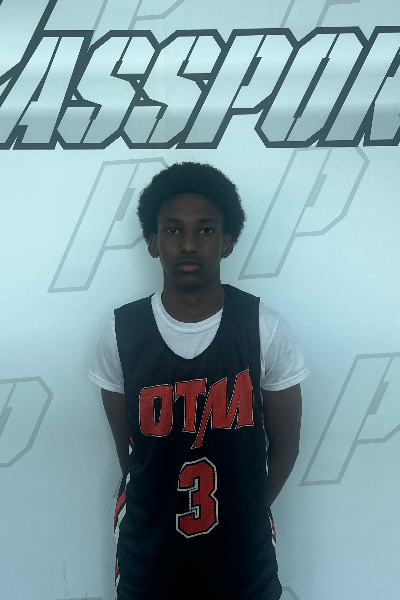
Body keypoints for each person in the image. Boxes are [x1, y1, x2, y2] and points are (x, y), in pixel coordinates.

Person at [89, 161, 310, 600]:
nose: (189, 243)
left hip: (242, 553)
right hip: (148, 552)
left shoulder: (266, 328)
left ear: (226, 242)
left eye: (205, 230)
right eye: (173, 229)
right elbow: (131, 450)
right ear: (153, 242)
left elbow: (285, 446)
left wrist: (249, 510)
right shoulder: (119, 333)